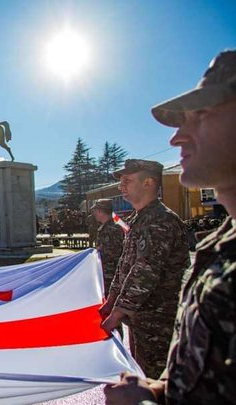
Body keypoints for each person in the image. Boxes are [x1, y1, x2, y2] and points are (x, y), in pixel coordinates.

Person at [104, 50, 236, 404]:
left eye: (202, 115)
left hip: (153, 317)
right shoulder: (221, 243)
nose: (176, 138)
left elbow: (145, 271)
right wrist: (159, 392)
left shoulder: (162, 222)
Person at [100, 159, 190, 379]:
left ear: (148, 183)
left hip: (160, 319)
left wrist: (117, 313)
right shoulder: (140, 220)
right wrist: (111, 301)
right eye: (121, 182)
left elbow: (144, 271)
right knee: (143, 376)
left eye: (127, 181)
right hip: (143, 318)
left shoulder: (160, 221)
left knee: (157, 380)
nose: (122, 187)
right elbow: (125, 265)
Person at [90, 199, 124, 291]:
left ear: (100, 211)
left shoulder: (112, 228)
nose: (94, 214)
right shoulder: (108, 227)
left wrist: (94, 255)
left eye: (95, 211)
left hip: (111, 273)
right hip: (107, 272)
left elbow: (113, 253)